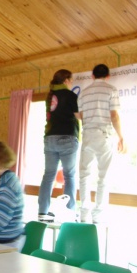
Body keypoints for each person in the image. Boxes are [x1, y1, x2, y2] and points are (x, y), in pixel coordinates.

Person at [78, 64, 125, 224]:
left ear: (92, 76)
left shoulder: (83, 93)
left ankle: (84, 214)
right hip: (104, 134)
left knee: (84, 176)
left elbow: (81, 115)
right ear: (108, 76)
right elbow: (114, 115)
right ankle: (97, 217)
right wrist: (121, 137)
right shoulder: (111, 90)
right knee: (103, 177)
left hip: (87, 135)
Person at [38, 69, 81, 223]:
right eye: (71, 80)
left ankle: (42, 213)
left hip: (50, 138)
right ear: (66, 81)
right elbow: (78, 116)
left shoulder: (49, 96)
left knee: (48, 176)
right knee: (69, 176)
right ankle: (69, 213)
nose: (72, 83)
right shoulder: (70, 95)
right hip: (67, 138)